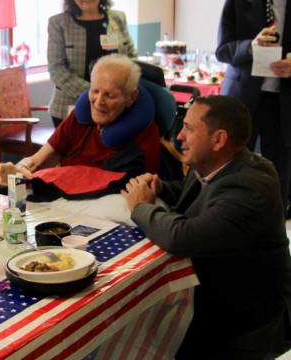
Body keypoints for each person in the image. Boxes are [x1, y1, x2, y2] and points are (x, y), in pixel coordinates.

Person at [122, 95, 291, 359]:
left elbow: (182, 236)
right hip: (214, 296)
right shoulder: (218, 164)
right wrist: (163, 189)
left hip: (244, 323)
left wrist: (141, 207)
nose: (179, 136)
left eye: (189, 128)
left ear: (218, 139)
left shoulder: (251, 185)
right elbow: (202, 197)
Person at [0, 55, 159, 191]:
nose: (98, 101)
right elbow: (37, 161)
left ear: (131, 97)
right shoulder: (79, 118)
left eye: (110, 95)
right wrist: (16, 172)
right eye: (95, 91)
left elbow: (141, 192)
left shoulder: (143, 138)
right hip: (63, 198)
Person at [216, 0, 291, 214]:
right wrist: (252, 46)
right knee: (232, 164)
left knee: (279, 170)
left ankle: (275, 227)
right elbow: (222, 51)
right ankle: (228, 217)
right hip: (242, 100)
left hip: (282, 101)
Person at [48, 0, 137, 127]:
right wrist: (94, 93)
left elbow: (131, 56)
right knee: (75, 153)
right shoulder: (59, 23)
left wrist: (113, 94)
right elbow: (56, 69)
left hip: (114, 107)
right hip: (70, 105)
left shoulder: (118, 18)